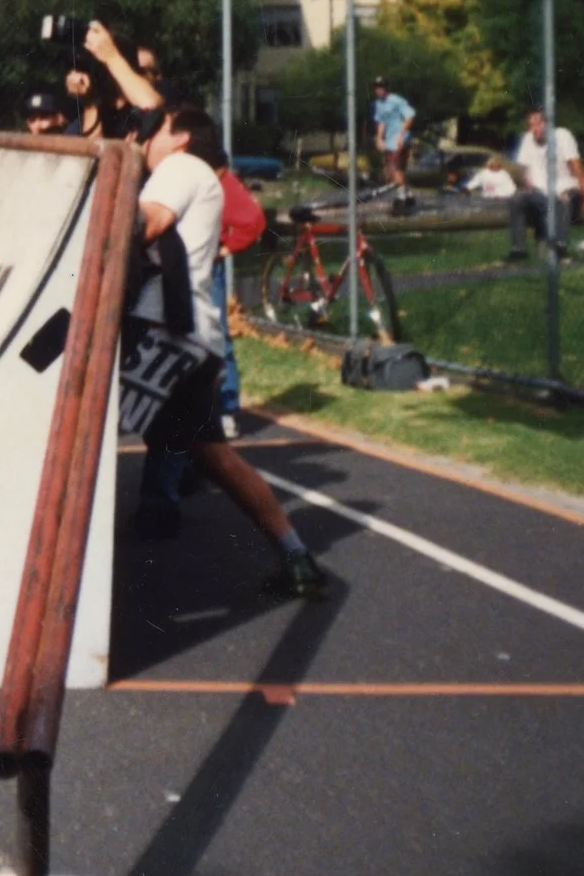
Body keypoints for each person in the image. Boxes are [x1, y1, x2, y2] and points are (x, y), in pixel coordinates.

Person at [130, 106, 327, 600]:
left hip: (164, 330)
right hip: (195, 335)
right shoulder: (201, 177)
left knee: (78, 425)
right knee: (213, 453)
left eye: (156, 130)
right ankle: (296, 556)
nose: (146, 138)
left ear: (179, 139)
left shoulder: (179, 167)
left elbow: (148, 223)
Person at [507, 107, 584, 263]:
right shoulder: (527, 139)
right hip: (539, 191)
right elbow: (523, 170)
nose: (533, 129)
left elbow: (575, 165)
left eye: (537, 124)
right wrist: (528, 184)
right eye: (530, 125)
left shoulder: (562, 136)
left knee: (564, 200)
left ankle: (560, 249)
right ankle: (518, 250)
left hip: (564, 187)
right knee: (516, 199)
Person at [369, 76, 416, 191]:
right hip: (389, 140)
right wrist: (379, 139)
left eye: (381, 87)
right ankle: (406, 194)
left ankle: (402, 195)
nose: (378, 90)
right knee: (392, 170)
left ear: (386, 88)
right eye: (376, 87)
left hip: (401, 138)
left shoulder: (396, 100)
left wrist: (401, 136)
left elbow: (409, 117)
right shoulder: (378, 104)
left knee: (394, 166)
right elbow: (381, 122)